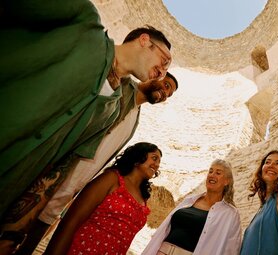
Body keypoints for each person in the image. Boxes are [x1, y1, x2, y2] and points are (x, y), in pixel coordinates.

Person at [0, 0, 173, 222]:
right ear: (144, 40)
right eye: (164, 61)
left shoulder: (111, 110)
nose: (162, 74)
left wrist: (16, 229)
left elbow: (61, 165)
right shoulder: (84, 21)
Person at [0, 73, 178, 254]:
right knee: (12, 230)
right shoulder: (122, 86)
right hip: (58, 170)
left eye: (169, 93)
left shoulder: (135, 120)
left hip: (77, 182)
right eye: (166, 84)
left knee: (35, 235)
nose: (165, 92)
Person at [44, 142, 162, 255]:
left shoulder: (143, 198)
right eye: (154, 158)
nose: (157, 165)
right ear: (138, 157)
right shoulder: (111, 179)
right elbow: (73, 219)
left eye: (159, 162)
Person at [142, 159, 242, 255]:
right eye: (210, 171)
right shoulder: (189, 200)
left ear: (226, 181)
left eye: (218, 173)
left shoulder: (230, 214)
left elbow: (232, 249)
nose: (212, 175)